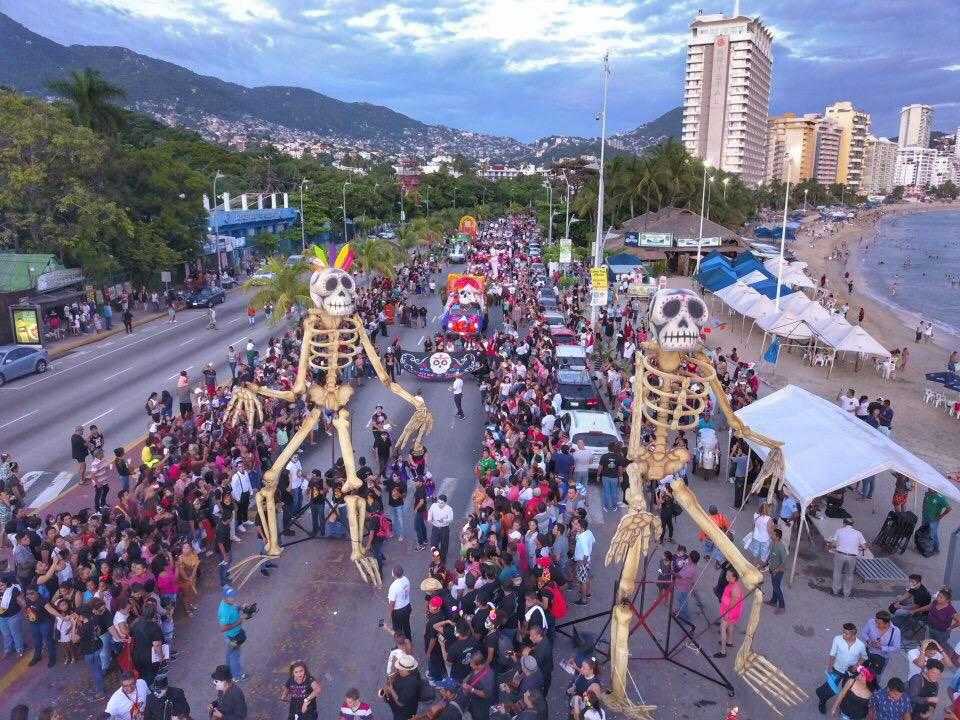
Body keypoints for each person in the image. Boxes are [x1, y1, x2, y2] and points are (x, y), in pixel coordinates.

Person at [817, 622, 868, 713]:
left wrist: (857, 665)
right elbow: (832, 653)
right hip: (837, 669)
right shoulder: (837, 639)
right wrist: (830, 667)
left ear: (853, 635)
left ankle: (842, 706)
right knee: (830, 687)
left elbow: (864, 657)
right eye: (843, 632)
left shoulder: (860, 645)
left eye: (846, 633)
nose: (843, 634)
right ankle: (822, 701)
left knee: (847, 690)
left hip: (851, 672)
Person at [828, 518, 867, 598]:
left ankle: (835, 591)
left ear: (844, 523)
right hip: (852, 557)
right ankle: (846, 593)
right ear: (852, 525)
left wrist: (829, 546)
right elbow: (864, 547)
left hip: (840, 554)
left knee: (837, 572)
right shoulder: (858, 533)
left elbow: (834, 544)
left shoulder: (839, 531)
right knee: (849, 574)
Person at [218, 587, 248, 682]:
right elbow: (223, 628)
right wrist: (237, 623)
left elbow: (234, 608)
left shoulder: (229, 603)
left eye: (234, 596)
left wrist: (241, 607)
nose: (233, 598)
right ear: (225, 598)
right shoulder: (224, 610)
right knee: (235, 655)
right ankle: (237, 676)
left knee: (230, 653)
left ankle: (229, 672)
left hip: (232, 636)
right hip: (233, 637)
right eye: (231, 597)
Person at [714, 567, 744, 659]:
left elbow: (733, 602)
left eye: (728, 575)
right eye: (726, 574)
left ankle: (723, 651)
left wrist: (727, 613)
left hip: (729, 611)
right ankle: (729, 642)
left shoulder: (734, 587)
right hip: (731, 611)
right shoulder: (735, 584)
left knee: (723, 628)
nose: (726, 576)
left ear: (734, 577)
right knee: (731, 625)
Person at [862, 611, 901, 678]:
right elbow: (864, 632)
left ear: (887, 623)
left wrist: (882, 647)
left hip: (881, 657)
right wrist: (869, 641)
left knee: (874, 677)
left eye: (879, 623)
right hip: (868, 652)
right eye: (876, 621)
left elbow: (896, 647)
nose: (876, 624)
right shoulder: (871, 622)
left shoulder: (895, 631)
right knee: (861, 672)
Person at [572, 517, 595, 607]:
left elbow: (586, 553)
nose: (575, 526)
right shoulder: (588, 532)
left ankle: (583, 600)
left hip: (583, 561)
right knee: (586, 577)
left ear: (582, 528)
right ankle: (588, 593)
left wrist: (582, 562)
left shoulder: (581, 537)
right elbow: (593, 541)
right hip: (587, 561)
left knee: (582, 581)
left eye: (577, 525)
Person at [921, 489, 951, 555]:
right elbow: (925, 499)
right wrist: (923, 508)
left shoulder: (941, 498)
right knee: (924, 531)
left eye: (930, 488)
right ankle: (924, 545)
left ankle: (936, 549)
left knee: (932, 534)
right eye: (928, 487)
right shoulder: (927, 493)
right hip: (925, 516)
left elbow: (949, 508)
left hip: (933, 519)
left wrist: (941, 516)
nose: (929, 488)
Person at [387, 565, 412, 641]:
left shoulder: (393, 586)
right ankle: (409, 640)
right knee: (406, 625)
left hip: (398, 611)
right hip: (407, 607)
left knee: (397, 629)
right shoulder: (406, 579)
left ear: (393, 574)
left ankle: (401, 645)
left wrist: (389, 615)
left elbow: (392, 603)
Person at [765, 528, 788, 613]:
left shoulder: (781, 548)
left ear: (778, 537)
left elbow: (784, 561)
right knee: (774, 586)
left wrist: (777, 570)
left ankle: (782, 606)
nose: (772, 535)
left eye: (774, 535)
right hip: (772, 569)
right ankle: (773, 601)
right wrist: (765, 563)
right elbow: (770, 554)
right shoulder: (772, 543)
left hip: (778, 572)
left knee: (776, 587)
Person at [428, 494, 454, 560]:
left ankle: (443, 558)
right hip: (435, 527)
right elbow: (430, 512)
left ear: (445, 503)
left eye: (441, 503)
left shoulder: (449, 509)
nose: (439, 504)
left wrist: (444, 520)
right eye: (438, 502)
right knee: (433, 543)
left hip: (444, 528)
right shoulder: (433, 506)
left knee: (444, 544)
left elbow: (451, 519)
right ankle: (436, 555)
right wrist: (429, 519)